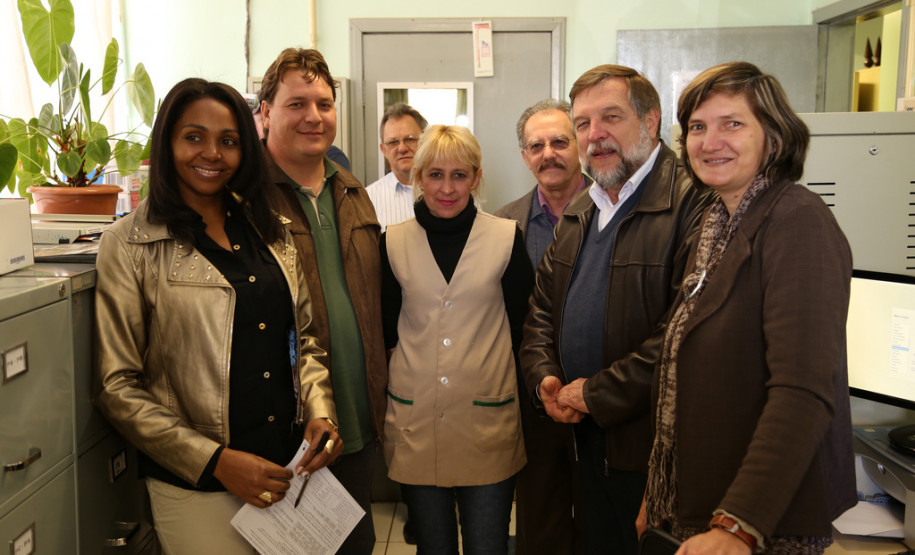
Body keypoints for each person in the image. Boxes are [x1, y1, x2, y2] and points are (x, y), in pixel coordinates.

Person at [93, 78, 342, 554]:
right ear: (167, 143)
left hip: (286, 472)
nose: (212, 153)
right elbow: (116, 386)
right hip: (197, 487)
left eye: (228, 141)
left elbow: (305, 340)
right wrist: (217, 461)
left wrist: (320, 412)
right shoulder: (131, 244)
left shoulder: (269, 230)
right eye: (194, 137)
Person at [640, 61, 856, 554]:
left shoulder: (798, 222)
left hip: (762, 523)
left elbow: (802, 391)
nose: (709, 141)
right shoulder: (718, 223)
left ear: (773, 138)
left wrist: (740, 524)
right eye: (698, 127)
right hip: (702, 501)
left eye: (732, 124)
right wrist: (660, 495)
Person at [519, 65, 711, 555]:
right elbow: (542, 307)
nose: (594, 135)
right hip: (582, 440)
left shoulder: (694, 202)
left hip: (649, 449)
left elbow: (684, 333)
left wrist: (598, 393)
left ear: (651, 121)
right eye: (582, 123)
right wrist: (545, 375)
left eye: (611, 117)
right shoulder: (585, 207)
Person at [380, 125, 534, 554]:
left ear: (476, 177)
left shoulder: (506, 238)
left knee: (488, 547)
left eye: (459, 175)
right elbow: (387, 333)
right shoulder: (392, 243)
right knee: (434, 548)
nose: (447, 188)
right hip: (417, 423)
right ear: (417, 177)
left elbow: (524, 328)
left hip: (488, 423)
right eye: (434, 175)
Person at [258, 47, 386, 554]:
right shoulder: (244, 198)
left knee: (354, 545)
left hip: (354, 420)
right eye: (297, 104)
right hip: (282, 426)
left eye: (324, 103)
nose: (314, 116)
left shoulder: (351, 189)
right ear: (264, 112)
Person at [494, 98, 590, 555]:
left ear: (580, 146)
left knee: (600, 521)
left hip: (601, 397)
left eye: (559, 141)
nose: (548, 153)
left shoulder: (616, 213)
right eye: (536, 145)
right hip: (531, 401)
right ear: (524, 156)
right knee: (540, 521)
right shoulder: (502, 224)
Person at [366, 103, 429, 231]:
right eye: (393, 142)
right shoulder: (368, 200)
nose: (402, 148)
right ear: (383, 150)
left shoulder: (449, 192)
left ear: (425, 141)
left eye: (410, 139)